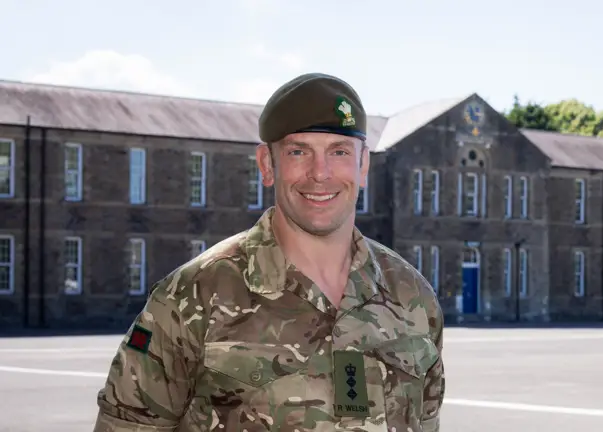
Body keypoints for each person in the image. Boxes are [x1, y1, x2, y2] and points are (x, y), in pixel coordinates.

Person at [92, 72, 445, 432]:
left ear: (363, 165)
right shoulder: (191, 296)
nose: (320, 173)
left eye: (339, 152)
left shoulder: (412, 297)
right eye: (298, 151)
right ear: (266, 164)